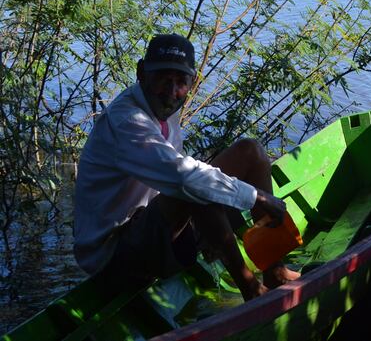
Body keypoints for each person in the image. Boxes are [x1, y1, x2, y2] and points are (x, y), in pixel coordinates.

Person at [74, 33, 299, 300]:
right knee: (195, 188)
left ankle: (274, 269)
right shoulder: (128, 120)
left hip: (153, 229)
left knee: (251, 152)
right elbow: (184, 180)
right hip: (112, 257)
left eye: (181, 82)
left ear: (193, 83)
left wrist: (212, 228)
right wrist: (257, 197)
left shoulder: (163, 107)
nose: (171, 92)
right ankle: (251, 290)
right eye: (163, 78)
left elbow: (177, 171)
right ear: (141, 73)